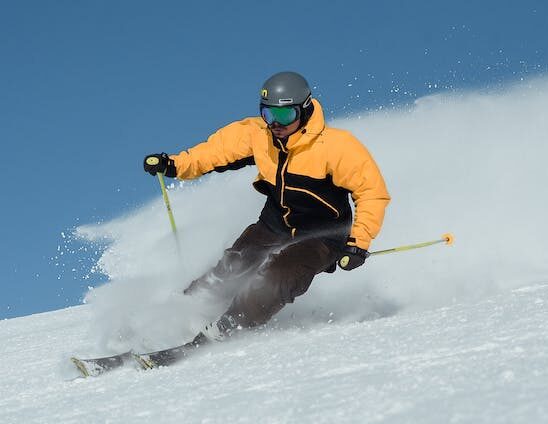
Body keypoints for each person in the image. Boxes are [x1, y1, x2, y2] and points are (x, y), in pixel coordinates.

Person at [144, 71, 390, 341]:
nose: (275, 124)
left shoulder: (336, 147)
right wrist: (176, 165)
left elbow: (371, 192)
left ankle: (227, 328)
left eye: (284, 116)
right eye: (268, 114)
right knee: (233, 265)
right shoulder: (259, 135)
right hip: (275, 225)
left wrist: (358, 243)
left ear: (304, 110)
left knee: (277, 277)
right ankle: (179, 315)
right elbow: (215, 152)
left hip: (322, 237)